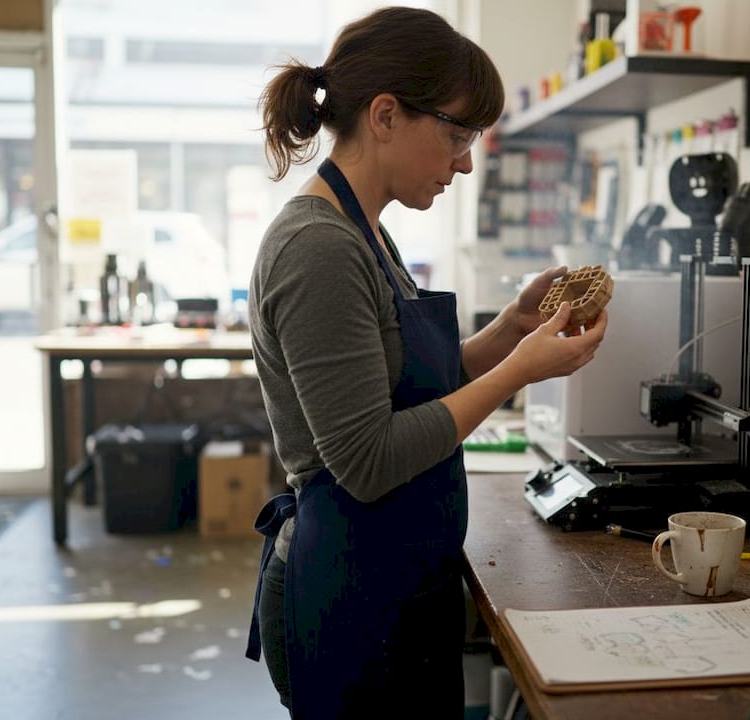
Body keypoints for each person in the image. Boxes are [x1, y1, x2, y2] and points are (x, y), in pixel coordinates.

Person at [245, 7, 608, 718]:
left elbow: (407, 392)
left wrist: (510, 330)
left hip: (397, 581)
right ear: (385, 115)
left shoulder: (367, 233)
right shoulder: (319, 248)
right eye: (457, 133)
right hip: (350, 598)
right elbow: (368, 457)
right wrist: (518, 372)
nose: (467, 160)